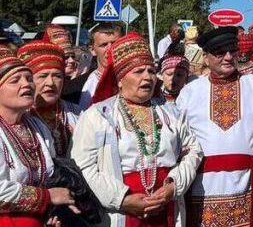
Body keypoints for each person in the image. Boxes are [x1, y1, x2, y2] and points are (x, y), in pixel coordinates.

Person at [72, 32, 203, 227]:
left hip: (166, 207)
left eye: (151, 71)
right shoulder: (98, 115)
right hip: (121, 211)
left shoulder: (171, 113)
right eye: (138, 71)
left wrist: (174, 185)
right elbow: (83, 166)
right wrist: (122, 199)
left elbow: (193, 150)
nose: (148, 77)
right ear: (120, 79)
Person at [176, 26, 253, 227]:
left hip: (248, 184)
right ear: (206, 57)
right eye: (220, 53)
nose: (228, 57)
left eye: (232, 51)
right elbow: (180, 141)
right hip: (201, 189)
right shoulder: (190, 92)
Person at [0, 52, 80, 226]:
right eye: (15, 81)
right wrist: (48, 197)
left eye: (29, 78)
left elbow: (49, 177)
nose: (26, 84)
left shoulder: (36, 126)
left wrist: (49, 212)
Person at [18, 41, 80, 158]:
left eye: (57, 76)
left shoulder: (77, 114)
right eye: (42, 76)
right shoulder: (17, 117)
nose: (50, 83)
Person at [63, 22, 122, 110]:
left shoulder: (136, 81)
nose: (110, 49)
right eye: (104, 45)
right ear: (92, 49)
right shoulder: (75, 88)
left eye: (115, 44)